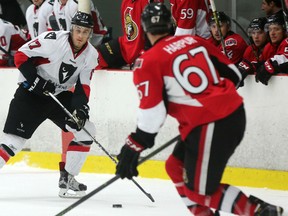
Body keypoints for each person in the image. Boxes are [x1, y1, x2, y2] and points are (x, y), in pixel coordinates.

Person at [115, 3, 284, 216]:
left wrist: (133, 146)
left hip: (212, 122)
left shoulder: (147, 62)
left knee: (198, 190)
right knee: (175, 166)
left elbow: (153, 114)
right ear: (170, 24)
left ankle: (259, 211)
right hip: (228, 115)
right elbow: (233, 74)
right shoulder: (195, 41)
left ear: (145, 29)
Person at [0, 10, 98, 198]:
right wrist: (36, 81)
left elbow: (83, 86)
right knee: (13, 142)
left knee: (86, 131)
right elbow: (21, 56)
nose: (80, 36)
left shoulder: (91, 55)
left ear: (90, 33)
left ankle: (67, 177)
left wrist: (81, 109)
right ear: (72, 29)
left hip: (58, 97)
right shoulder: (52, 40)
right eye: (78, 30)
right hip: (31, 95)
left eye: (85, 32)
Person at [96, 0, 164, 69]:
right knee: (97, 57)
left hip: (142, 50)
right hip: (125, 46)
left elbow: (157, 33)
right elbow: (127, 33)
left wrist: (145, 53)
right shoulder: (126, 1)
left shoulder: (149, 2)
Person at [256, 13, 288, 85]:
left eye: (276, 29)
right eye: (270, 30)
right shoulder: (269, 47)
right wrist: (253, 66)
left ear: (285, 31)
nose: (272, 33)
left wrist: (271, 63)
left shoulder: (286, 42)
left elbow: (285, 58)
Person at [238, 17, 268, 85]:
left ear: (267, 33)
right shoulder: (250, 49)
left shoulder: (270, 48)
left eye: (260, 32)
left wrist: (252, 66)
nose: (256, 36)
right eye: (253, 33)